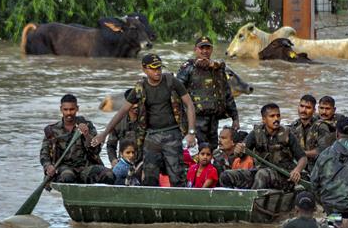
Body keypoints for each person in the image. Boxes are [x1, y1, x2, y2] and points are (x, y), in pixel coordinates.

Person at [92, 54, 197, 187]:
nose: (157, 71)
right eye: (153, 68)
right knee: (149, 178)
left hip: (172, 135)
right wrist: (104, 133)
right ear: (144, 69)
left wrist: (191, 132)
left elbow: (189, 104)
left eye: (159, 68)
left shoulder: (171, 81)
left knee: (177, 176)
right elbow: (122, 111)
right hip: (151, 137)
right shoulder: (140, 87)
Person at [220, 103, 307, 190]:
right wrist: (238, 150)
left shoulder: (288, 134)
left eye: (278, 116)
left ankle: (250, 201)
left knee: (262, 175)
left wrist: (297, 170)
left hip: (284, 175)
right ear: (264, 119)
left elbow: (303, 158)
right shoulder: (256, 133)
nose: (276, 119)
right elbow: (241, 153)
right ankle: (232, 201)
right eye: (272, 116)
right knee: (226, 175)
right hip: (260, 172)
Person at [176, 36, 239, 150]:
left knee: (212, 150)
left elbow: (227, 94)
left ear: (212, 50)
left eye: (208, 48)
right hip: (195, 119)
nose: (205, 51)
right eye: (202, 48)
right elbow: (176, 92)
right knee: (197, 151)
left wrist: (235, 118)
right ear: (196, 49)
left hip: (213, 119)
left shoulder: (217, 69)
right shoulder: (188, 68)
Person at [40, 94, 115, 184]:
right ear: (61, 109)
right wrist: (48, 166)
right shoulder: (52, 130)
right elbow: (44, 154)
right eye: (65, 109)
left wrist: (86, 135)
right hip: (64, 168)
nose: (68, 113)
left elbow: (96, 150)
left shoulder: (87, 125)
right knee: (67, 177)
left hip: (86, 167)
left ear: (77, 109)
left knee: (109, 174)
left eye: (72, 109)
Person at [289, 94, 324, 172]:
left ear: (314, 110)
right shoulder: (294, 126)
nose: (303, 110)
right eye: (301, 106)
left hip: (317, 167)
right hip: (298, 166)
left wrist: (301, 153)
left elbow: (323, 150)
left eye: (308, 107)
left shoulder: (321, 126)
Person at [106, 88, 141, 167]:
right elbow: (111, 145)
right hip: (124, 162)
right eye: (133, 103)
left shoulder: (149, 120)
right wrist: (113, 160)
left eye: (138, 102)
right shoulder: (118, 121)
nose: (136, 105)